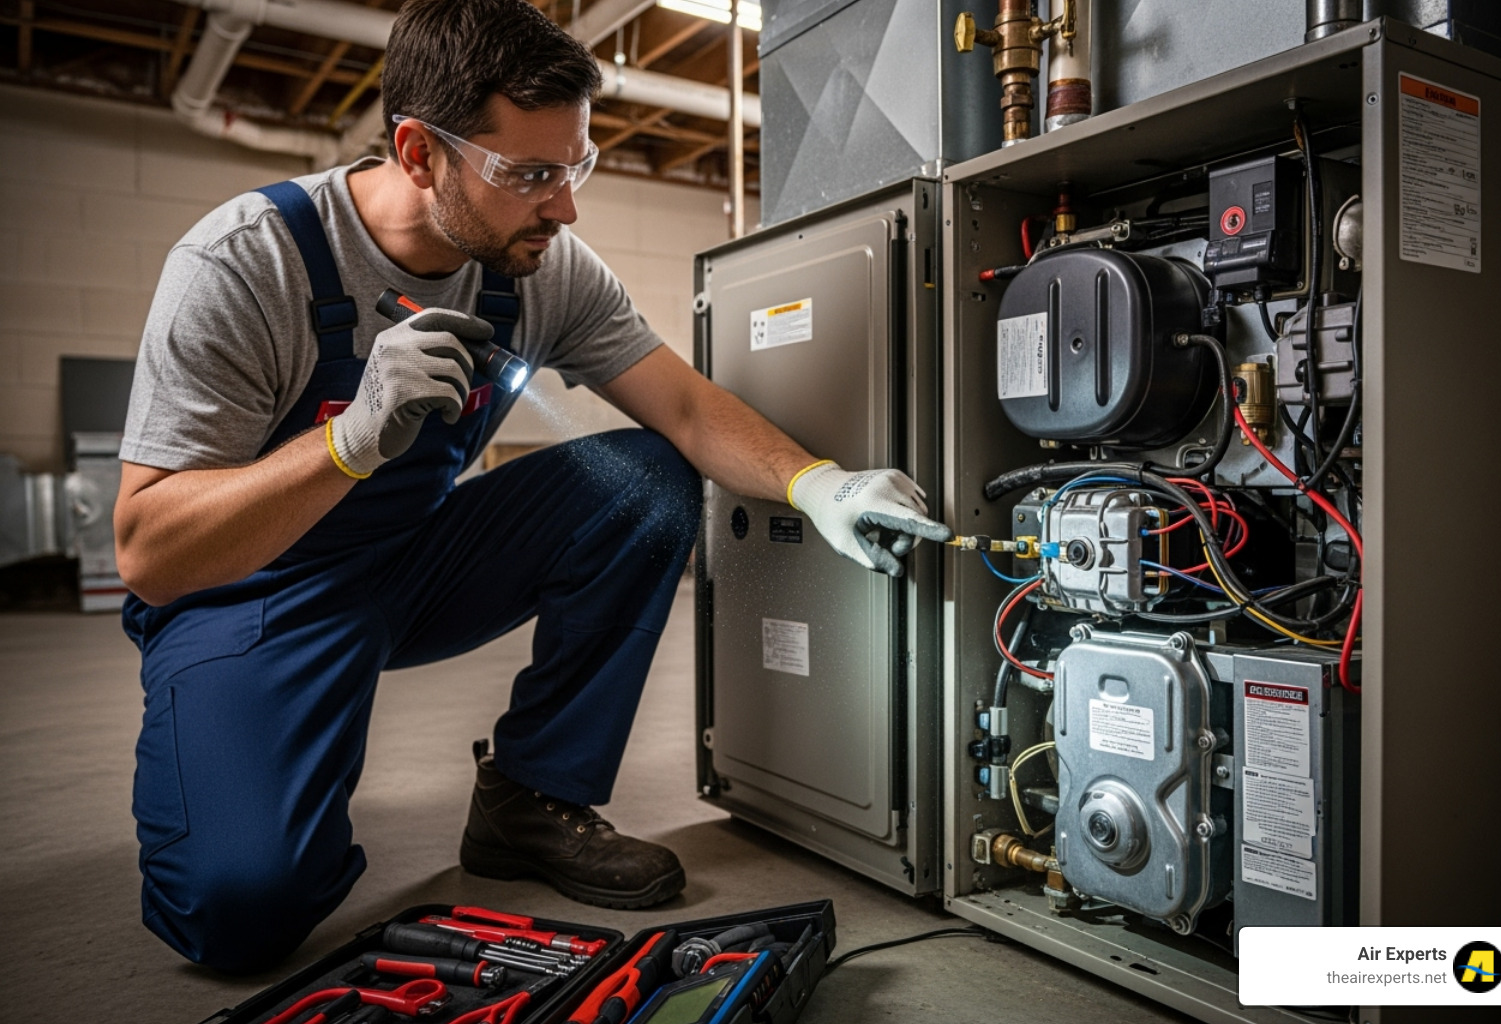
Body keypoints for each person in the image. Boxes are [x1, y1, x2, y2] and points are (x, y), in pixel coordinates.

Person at [115, 0, 950, 973]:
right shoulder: (248, 262)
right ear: (419, 151)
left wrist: (816, 484)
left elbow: (682, 408)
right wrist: (346, 442)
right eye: (530, 174)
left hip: (413, 564)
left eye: (576, 165)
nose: (565, 206)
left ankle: (531, 794)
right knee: (241, 911)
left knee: (643, 478)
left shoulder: (540, 268)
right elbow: (150, 552)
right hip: (250, 594)